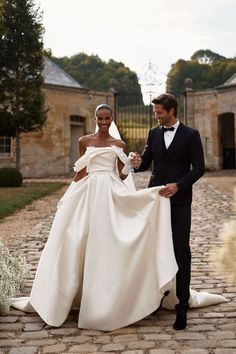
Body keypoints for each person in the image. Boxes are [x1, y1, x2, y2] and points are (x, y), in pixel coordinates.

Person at [10, 104, 179, 331]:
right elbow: (81, 172)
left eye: (107, 118)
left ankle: (106, 301)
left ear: (112, 119)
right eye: (100, 118)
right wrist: (68, 197)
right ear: (95, 118)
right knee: (75, 239)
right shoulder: (84, 141)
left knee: (107, 241)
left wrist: (130, 164)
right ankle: (70, 295)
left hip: (110, 192)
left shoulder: (119, 144)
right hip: (88, 193)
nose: (103, 122)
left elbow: (121, 175)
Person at [134, 93, 205, 330]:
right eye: (155, 112)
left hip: (180, 202)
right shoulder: (154, 133)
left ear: (171, 111)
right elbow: (145, 164)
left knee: (180, 251)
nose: (156, 116)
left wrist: (180, 185)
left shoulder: (191, 135)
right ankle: (154, 299)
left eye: (159, 112)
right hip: (154, 201)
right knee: (153, 250)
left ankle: (181, 307)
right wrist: (135, 163)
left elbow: (199, 168)